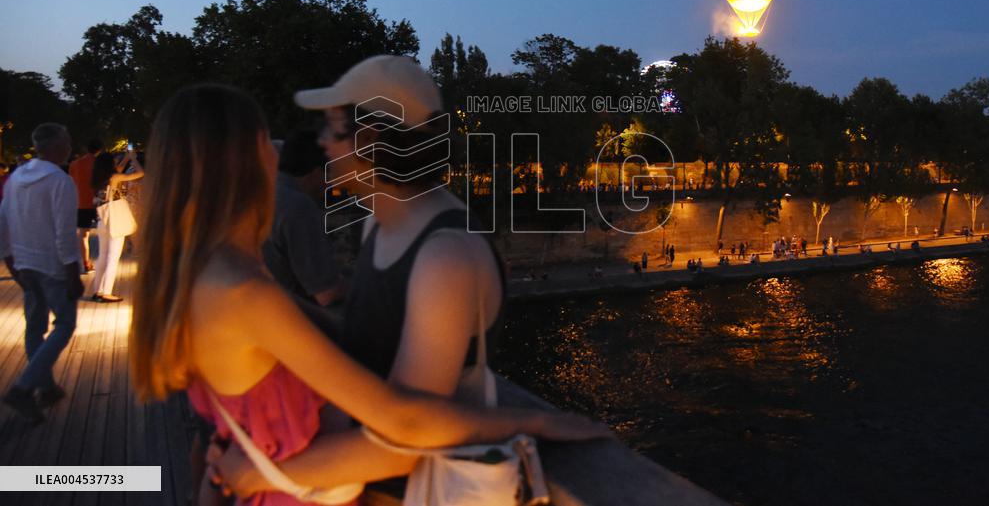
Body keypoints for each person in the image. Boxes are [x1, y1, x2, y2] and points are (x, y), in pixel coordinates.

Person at [129, 84, 607, 505]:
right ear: (245, 162)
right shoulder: (244, 293)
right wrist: (536, 422)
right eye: (265, 141)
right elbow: (407, 426)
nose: (285, 152)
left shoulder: (200, 276)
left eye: (333, 131)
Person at [0, 123, 83, 423]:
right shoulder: (60, 181)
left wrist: (9, 258)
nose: (71, 146)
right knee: (64, 325)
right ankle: (23, 388)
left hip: (24, 263)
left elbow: (3, 218)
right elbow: (64, 233)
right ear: (56, 147)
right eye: (68, 141)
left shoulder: (16, 177)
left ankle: (46, 388)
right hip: (52, 266)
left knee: (35, 326)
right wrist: (73, 273)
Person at [262, 129, 342, 306]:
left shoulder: (261, 193)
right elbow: (327, 294)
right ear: (317, 172)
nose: (334, 184)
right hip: (291, 320)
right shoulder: (297, 206)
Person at [89, 149, 144, 302]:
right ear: (109, 164)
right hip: (115, 220)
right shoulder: (116, 177)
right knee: (113, 257)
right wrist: (133, 158)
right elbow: (140, 173)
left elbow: (118, 169)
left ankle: (97, 291)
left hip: (102, 220)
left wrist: (126, 158)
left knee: (102, 256)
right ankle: (107, 292)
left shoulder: (99, 178)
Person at [69, 138, 103, 273]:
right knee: (105, 233)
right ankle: (104, 260)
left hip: (80, 202)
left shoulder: (75, 164)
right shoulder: (99, 164)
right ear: (100, 150)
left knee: (83, 234)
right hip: (98, 203)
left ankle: (85, 263)